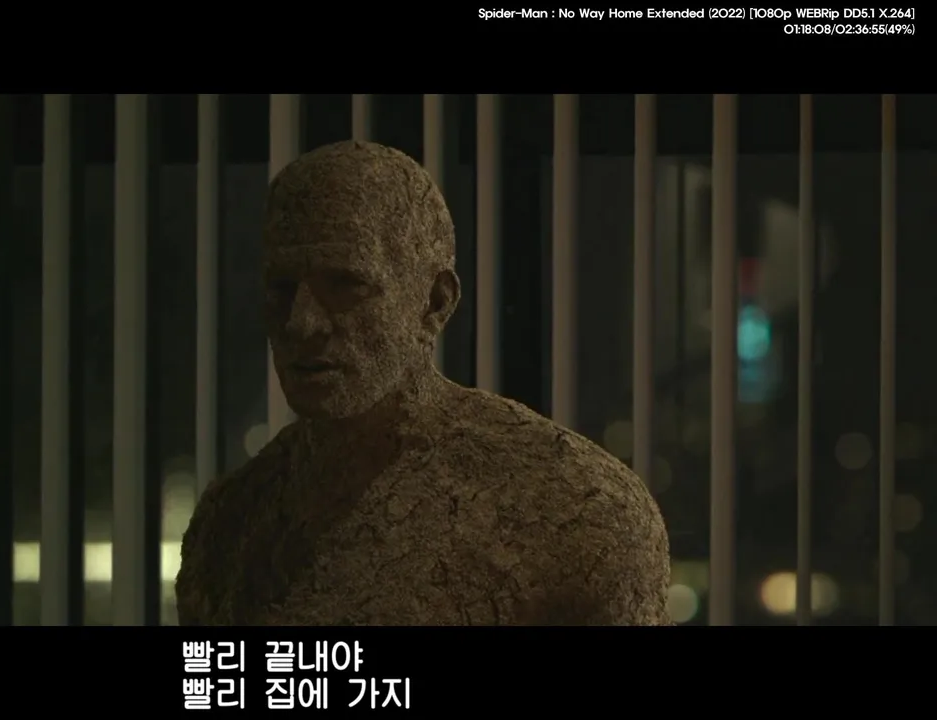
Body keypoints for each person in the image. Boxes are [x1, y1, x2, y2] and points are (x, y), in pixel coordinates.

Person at [176, 141, 670, 625]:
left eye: (346, 285)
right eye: (282, 288)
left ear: (434, 303)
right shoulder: (229, 526)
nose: (301, 322)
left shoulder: (575, 512)